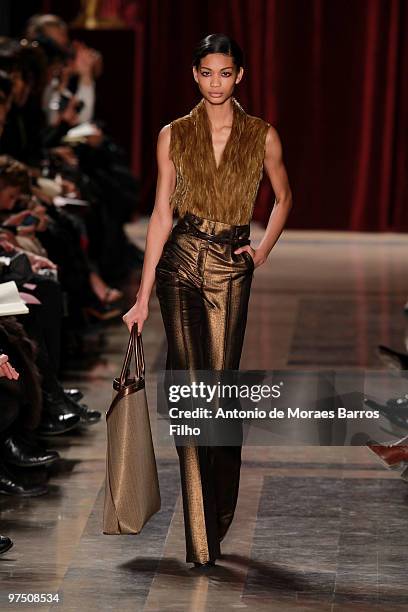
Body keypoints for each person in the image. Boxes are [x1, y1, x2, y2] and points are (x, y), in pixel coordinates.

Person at [123, 33, 293, 567]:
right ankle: (200, 538)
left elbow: (284, 196)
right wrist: (142, 297)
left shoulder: (262, 135)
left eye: (225, 73)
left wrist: (261, 252)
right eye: (206, 73)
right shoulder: (173, 135)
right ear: (194, 75)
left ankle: (217, 513)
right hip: (180, 261)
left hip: (231, 267)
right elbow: (159, 215)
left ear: (239, 75)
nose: (215, 82)